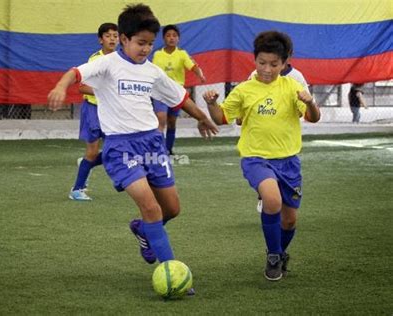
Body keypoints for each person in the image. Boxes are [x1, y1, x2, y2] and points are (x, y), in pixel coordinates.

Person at [48, 3, 218, 286]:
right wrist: (60, 87)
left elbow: (179, 97)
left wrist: (201, 117)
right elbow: (75, 73)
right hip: (120, 148)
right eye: (140, 43)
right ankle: (170, 273)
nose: (145, 49)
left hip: (152, 143)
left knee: (172, 209)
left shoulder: (151, 71)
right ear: (123, 39)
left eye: (150, 44)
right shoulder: (107, 64)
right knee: (151, 208)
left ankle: (143, 230)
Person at [203, 30, 320, 281]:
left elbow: (313, 117)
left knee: (289, 221)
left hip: (288, 161)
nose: (267, 69)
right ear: (254, 60)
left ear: (285, 62)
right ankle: (273, 257)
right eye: (262, 63)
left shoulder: (293, 86)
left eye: (274, 64)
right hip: (256, 158)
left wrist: (309, 102)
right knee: (272, 200)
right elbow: (221, 118)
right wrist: (212, 104)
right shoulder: (245, 89)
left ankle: (277, 250)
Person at [246, 39, 311, 214]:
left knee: (288, 214)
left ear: (287, 57)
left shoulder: (296, 77)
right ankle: (265, 194)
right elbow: (248, 97)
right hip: (259, 137)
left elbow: (306, 106)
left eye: (276, 61)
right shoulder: (255, 74)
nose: (268, 68)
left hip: (284, 136)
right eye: (263, 62)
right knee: (262, 172)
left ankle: (277, 199)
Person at [69, 22, 119, 201]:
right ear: (100, 40)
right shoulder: (95, 60)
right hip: (93, 110)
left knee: (116, 152)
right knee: (92, 152)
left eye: (115, 35)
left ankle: (86, 165)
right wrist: (104, 91)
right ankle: (77, 190)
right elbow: (82, 87)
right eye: (108, 35)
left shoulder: (122, 60)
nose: (112, 38)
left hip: (112, 112)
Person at [151, 24, 206, 155]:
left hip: (176, 93)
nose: (171, 38)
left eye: (174, 36)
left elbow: (192, 66)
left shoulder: (182, 54)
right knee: (161, 118)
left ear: (178, 39)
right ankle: (159, 150)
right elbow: (152, 71)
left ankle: (168, 149)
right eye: (168, 35)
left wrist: (200, 75)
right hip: (160, 92)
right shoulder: (157, 55)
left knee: (171, 122)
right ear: (163, 38)